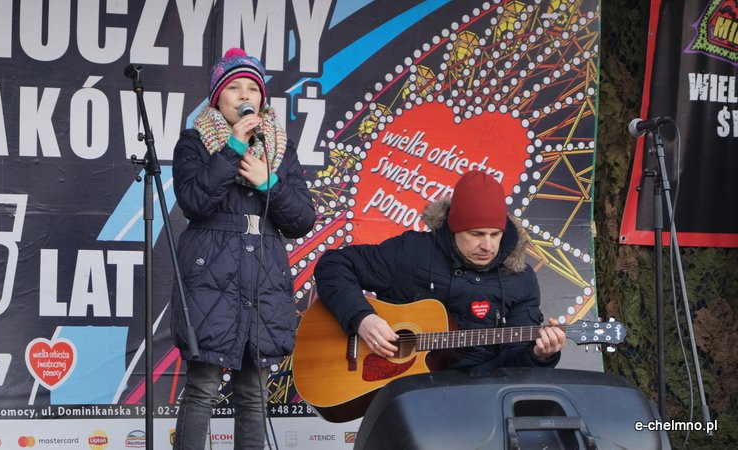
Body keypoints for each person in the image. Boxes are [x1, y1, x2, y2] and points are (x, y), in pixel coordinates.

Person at [171, 48, 316, 450]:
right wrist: (233, 147)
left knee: (253, 393)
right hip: (212, 277)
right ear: (217, 97)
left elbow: (302, 219)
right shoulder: (194, 142)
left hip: (262, 277)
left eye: (252, 88)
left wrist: (270, 182)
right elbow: (194, 202)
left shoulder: (279, 148)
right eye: (234, 88)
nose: (244, 95)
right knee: (202, 387)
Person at [314, 171, 565, 373]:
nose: (488, 245)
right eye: (476, 234)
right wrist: (361, 318)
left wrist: (539, 355)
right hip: (408, 393)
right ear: (454, 228)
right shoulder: (412, 252)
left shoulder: (520, 278)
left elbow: (514, 362)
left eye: (495, 234)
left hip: (482, 394)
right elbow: (334, 264)